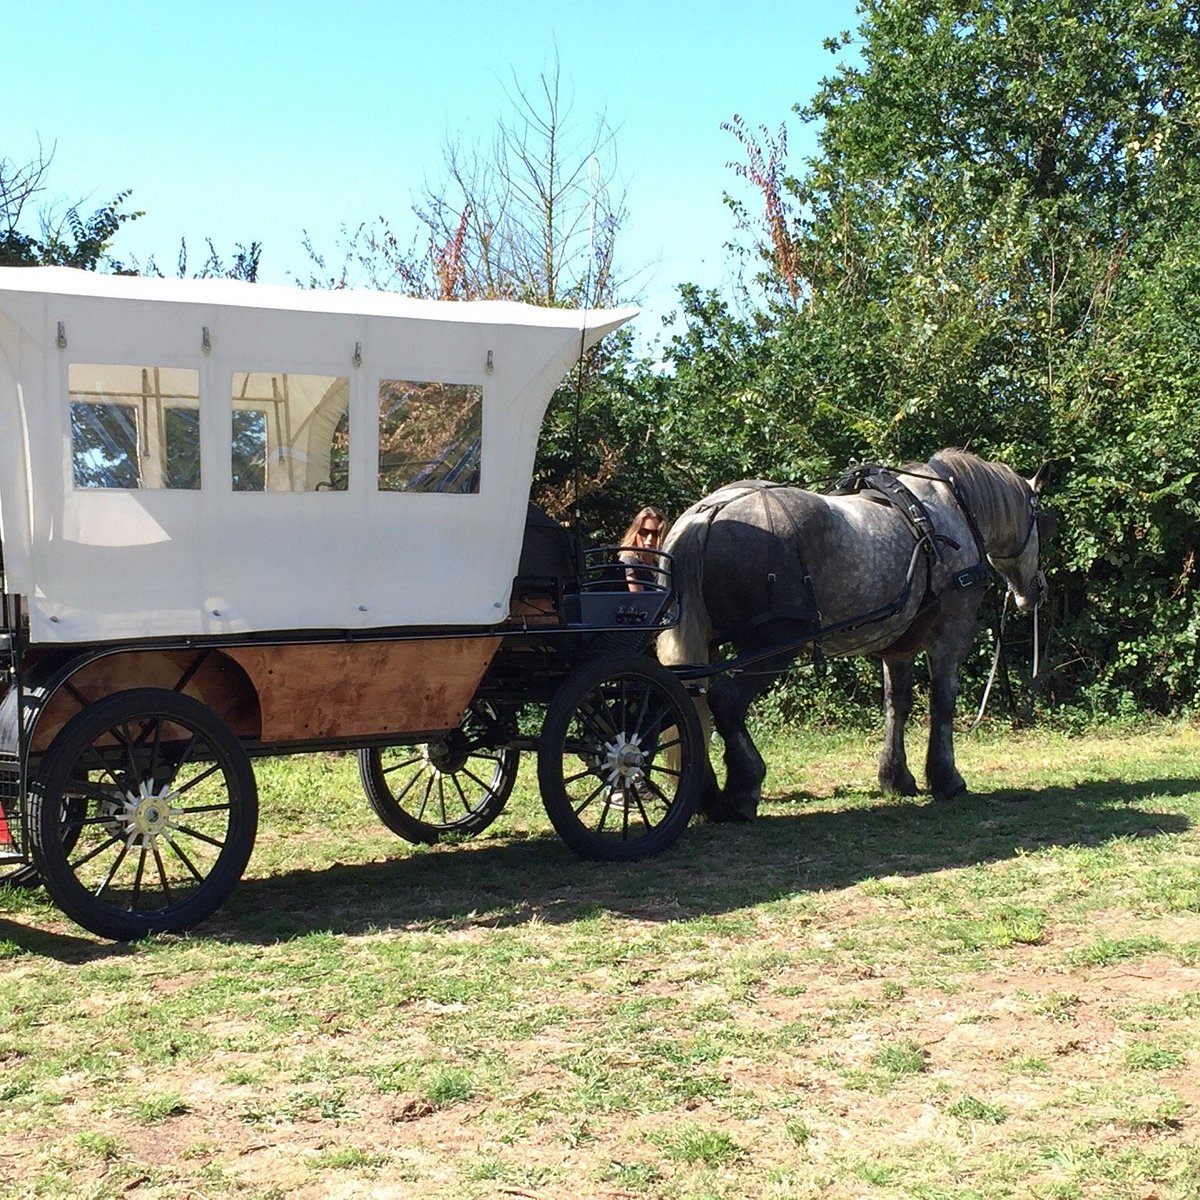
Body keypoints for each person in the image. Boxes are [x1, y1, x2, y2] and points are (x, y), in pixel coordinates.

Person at [618, 505, 668, 592]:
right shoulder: (629, 562)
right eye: (645, 532)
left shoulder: (658, 565)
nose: (650, 538)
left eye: (655, 534)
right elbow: (640, 600)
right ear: (636, 532)